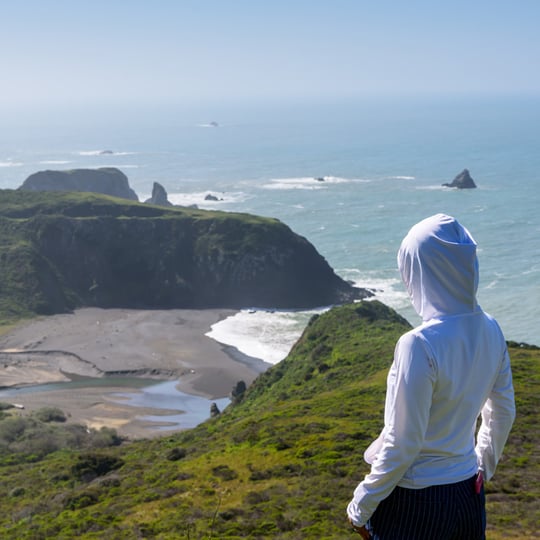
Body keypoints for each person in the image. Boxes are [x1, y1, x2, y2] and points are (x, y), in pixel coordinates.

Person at [346, 213, 515, 539]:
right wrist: (483, 467)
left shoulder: (418, 344)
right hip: (468, 495)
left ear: (423, 273)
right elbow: (503, 412)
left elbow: (403, 443)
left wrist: (360, 506)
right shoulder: (492, 330)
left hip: (414, 502)